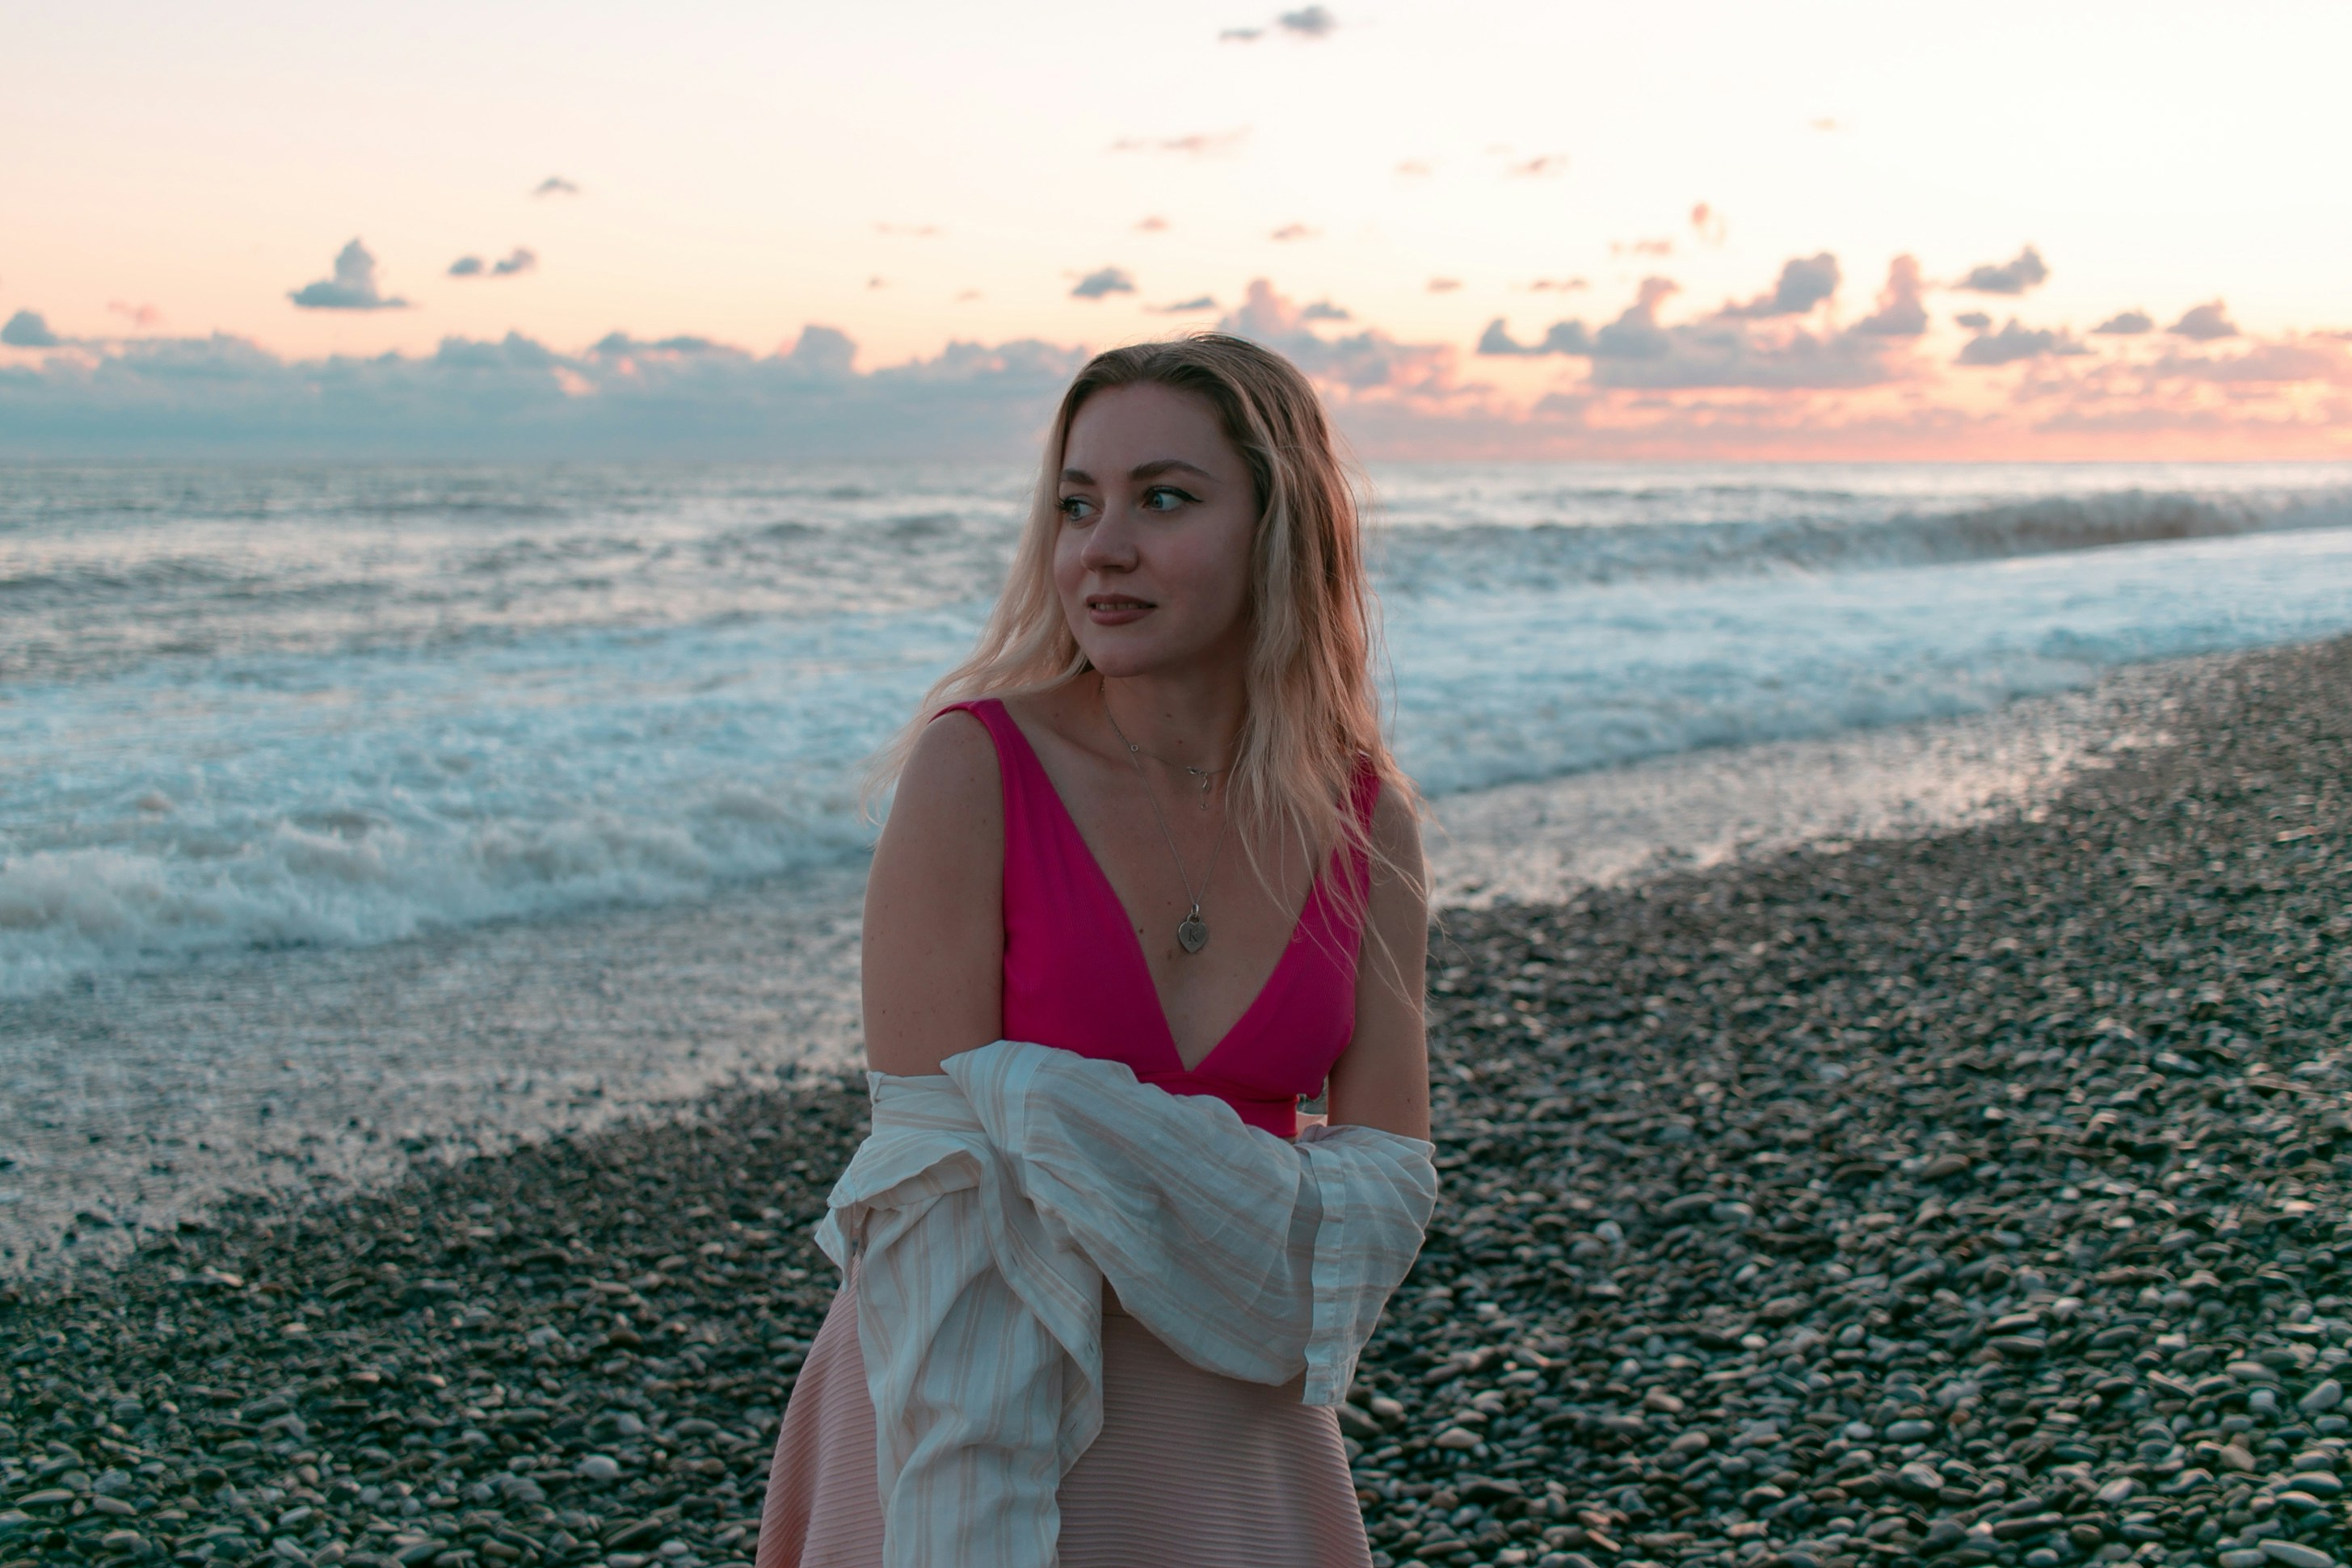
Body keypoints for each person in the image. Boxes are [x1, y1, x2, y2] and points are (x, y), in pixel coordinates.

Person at [755, 333, 1432, 1567]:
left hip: (1234, 1430)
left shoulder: (1363, 819)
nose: (1100, 548)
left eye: (1162, 499)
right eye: (1077, 505)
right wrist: (1237, 1193)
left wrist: (1058, 1116)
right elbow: (934, 1191)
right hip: (957, 1402)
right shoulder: (974, 769)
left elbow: (1386, 1190)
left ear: (1279, 526)